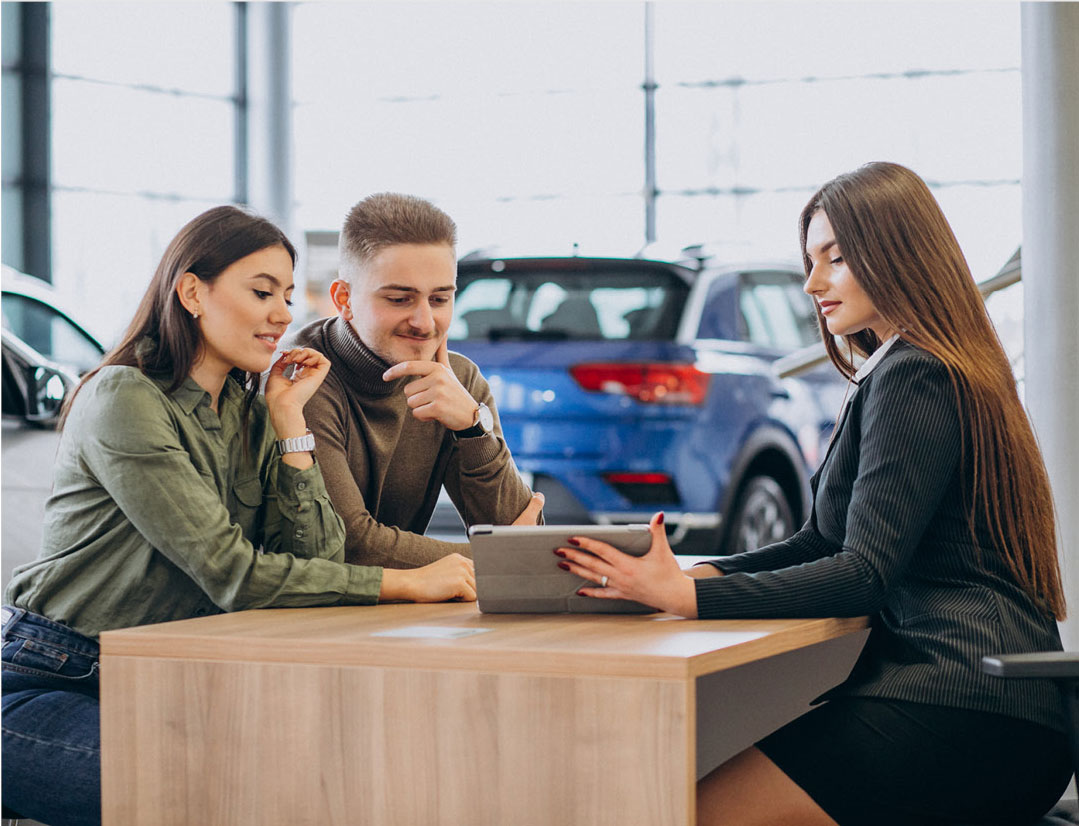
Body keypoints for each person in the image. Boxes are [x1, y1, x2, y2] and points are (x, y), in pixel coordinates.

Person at [556, 162, 1071, 825]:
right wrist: (701, 574)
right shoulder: (914, 366)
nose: (812, 283)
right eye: (810, 260)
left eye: (836, 258)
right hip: (982, 699)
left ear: (898, 253)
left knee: (696, 813)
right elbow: (821, 542)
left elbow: (863, 574)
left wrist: (688, 598)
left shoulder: (915, 374)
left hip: (964, 702)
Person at [1, 205, 476, 826]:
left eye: (287, 296)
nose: (283, 314)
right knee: (214, 791)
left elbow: (316, 558)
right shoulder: (124, 397)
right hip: (53, 678)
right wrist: (406, 581)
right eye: (261, 292)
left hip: (172, 677)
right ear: (192, 292)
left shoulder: (254, 411)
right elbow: (232, 573)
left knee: (335, 770)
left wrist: (289, 423)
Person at [290, 192, 542, 569]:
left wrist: (473, 429)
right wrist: (500, 558)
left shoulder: (457, 379)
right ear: (344, 299)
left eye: (439, 300)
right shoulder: (302, 378)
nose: (425, 323)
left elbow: (525, 534)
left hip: (405, 602)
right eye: (399, 299)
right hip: (304, 606)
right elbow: (347, 544)